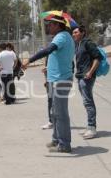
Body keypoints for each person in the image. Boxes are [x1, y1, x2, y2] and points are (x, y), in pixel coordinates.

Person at [22, 15, 75, 153]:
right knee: (55, 112)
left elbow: (48, 50)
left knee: (61, 113)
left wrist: (29, 60)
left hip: (60, 81)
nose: (48, 26)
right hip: (55, 79)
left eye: (51, 24)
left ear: (58, 25)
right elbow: (60, 57)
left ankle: (65, 144)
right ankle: (57, 139)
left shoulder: (62, 36)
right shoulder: (63, 37)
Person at [72, 25, 102, 139]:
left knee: (88, 102)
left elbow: (97, 58)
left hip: (87, 77)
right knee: (86, 102)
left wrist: (90, 72)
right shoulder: (78, 44)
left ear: (83, 33)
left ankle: (92, 128)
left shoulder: (88, 43)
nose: (73, 34)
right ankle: (89, 127)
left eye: (75, 32)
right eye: (73, 33)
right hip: (80, 76)